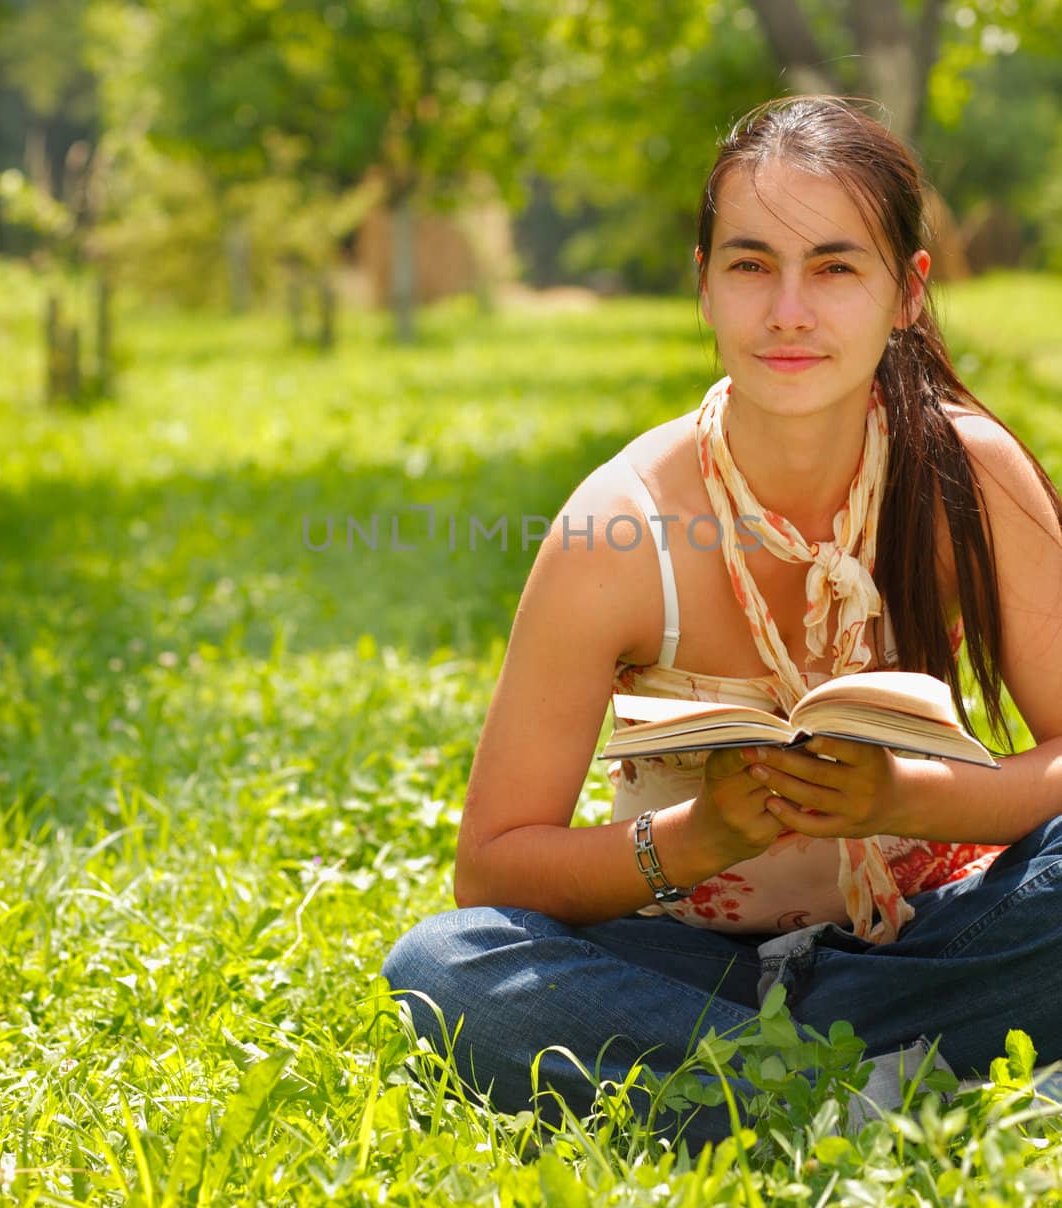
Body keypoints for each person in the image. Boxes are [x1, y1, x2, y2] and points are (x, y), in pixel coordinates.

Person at [382, 95, 1062, 1149]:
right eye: (750, 265)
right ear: (701, 282)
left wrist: (901, 797)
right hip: (687, 970)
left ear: (905, 296)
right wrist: (701, 835)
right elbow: (494, 869)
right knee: (440, 969)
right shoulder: (615, 527)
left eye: (835, 267)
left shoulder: (968, 473)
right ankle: (889, 1084)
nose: (788, 310)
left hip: (928, 938)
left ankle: (787, 1091)